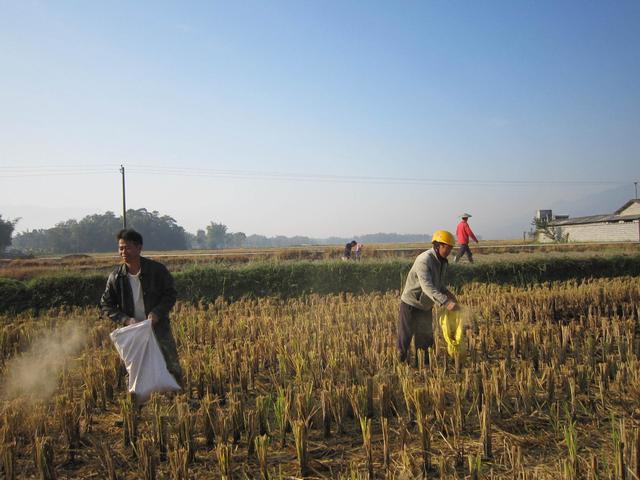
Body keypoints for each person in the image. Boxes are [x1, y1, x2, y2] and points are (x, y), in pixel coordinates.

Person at [100, 229, 183, 386]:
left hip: (158, 327)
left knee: (171, 364)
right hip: (133, 330)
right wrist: (125, 319)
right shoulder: (116, 277)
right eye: (121, 248)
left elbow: (170, 294)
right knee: (132, 368)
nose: (123, 252)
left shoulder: (157, 271)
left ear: (139, 248)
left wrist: (157, 313)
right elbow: (106, 304)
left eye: (128, 247)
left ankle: (179, 397)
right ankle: (136, 402)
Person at [398, 230, 458, 364]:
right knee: (405, 336)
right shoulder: (424, 260)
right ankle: (400, 363)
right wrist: (445, 302)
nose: (449, 251)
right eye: (447, 247)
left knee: (425, 336)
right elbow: (427, 287)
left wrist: (448, 293)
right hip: (411, 303)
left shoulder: (442, 262)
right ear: (438, 245)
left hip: (426, 304)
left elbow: (437, 284)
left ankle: (424, 365)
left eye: (450, 248)